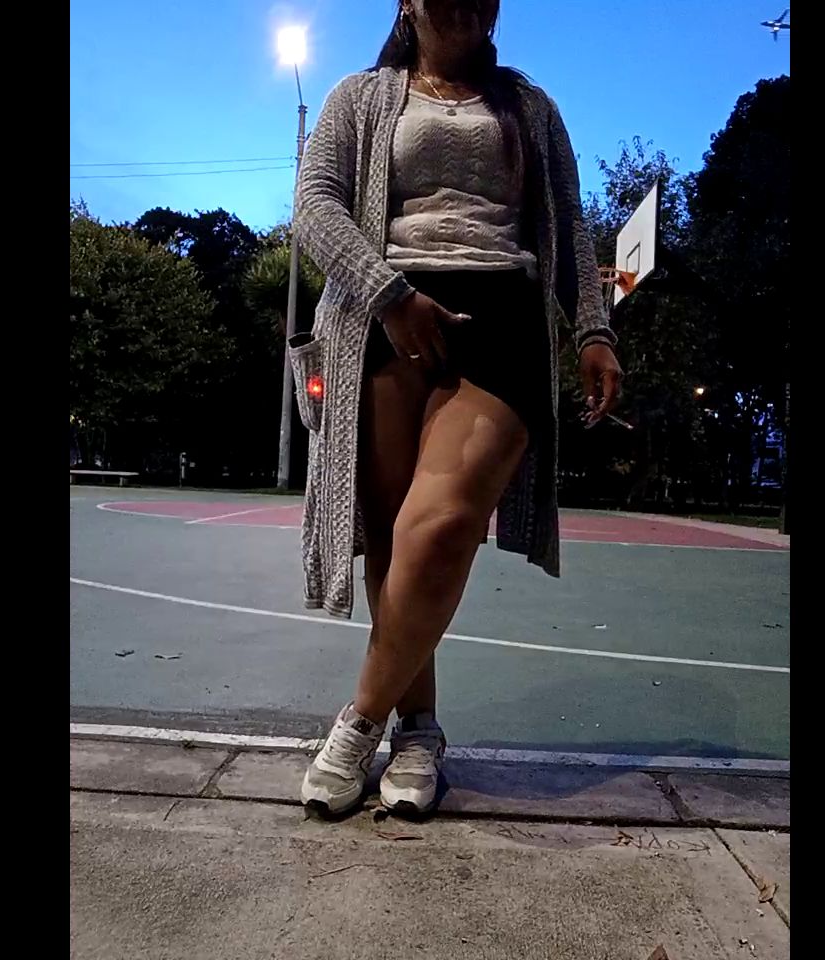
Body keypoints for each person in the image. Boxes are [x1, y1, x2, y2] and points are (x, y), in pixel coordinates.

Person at [292, 0, 622, 817]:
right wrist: (388, 295)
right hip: (386, 316)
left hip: (501, 319)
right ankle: (419, 731)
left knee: (439, 526)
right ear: (408, 1)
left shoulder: (532, 108)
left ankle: (359, 720)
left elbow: (568, 225)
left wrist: (593, 329)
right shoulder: (358, 97)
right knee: (392, 539)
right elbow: (316, 206)